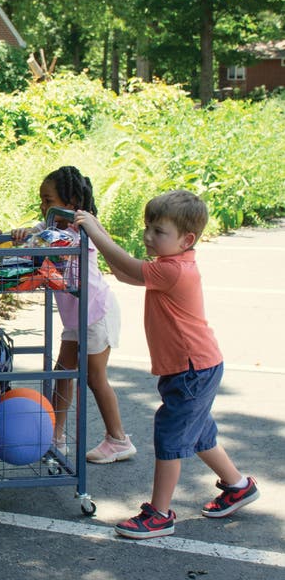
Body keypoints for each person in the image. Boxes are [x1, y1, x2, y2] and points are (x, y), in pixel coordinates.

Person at [74, 189, 259, 539]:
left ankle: (160, 514)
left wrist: (96, 232)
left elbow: (129, 267)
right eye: (147, 227)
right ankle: (238, 486)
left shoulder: (174, 270)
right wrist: (99, 233)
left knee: (170, 435)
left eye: (158, 231)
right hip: (193, 367)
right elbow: (125, 273)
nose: (148, 236)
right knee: (199, 432)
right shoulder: (168, 265)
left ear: (186, 240)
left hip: (191, 369)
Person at [0, 166, 135, 464]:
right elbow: (29, 241)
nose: (43, 206)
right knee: (63, 374)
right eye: (41, 200)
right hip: (76, 317)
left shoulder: (84, 227)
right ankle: (56, 436)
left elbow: (55, 246)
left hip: (96, 312)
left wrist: (35, 239)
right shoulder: (49, 226)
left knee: (94, 378)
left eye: (48, 200)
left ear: (71, 200)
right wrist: (13, 235)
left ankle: (118, 439)